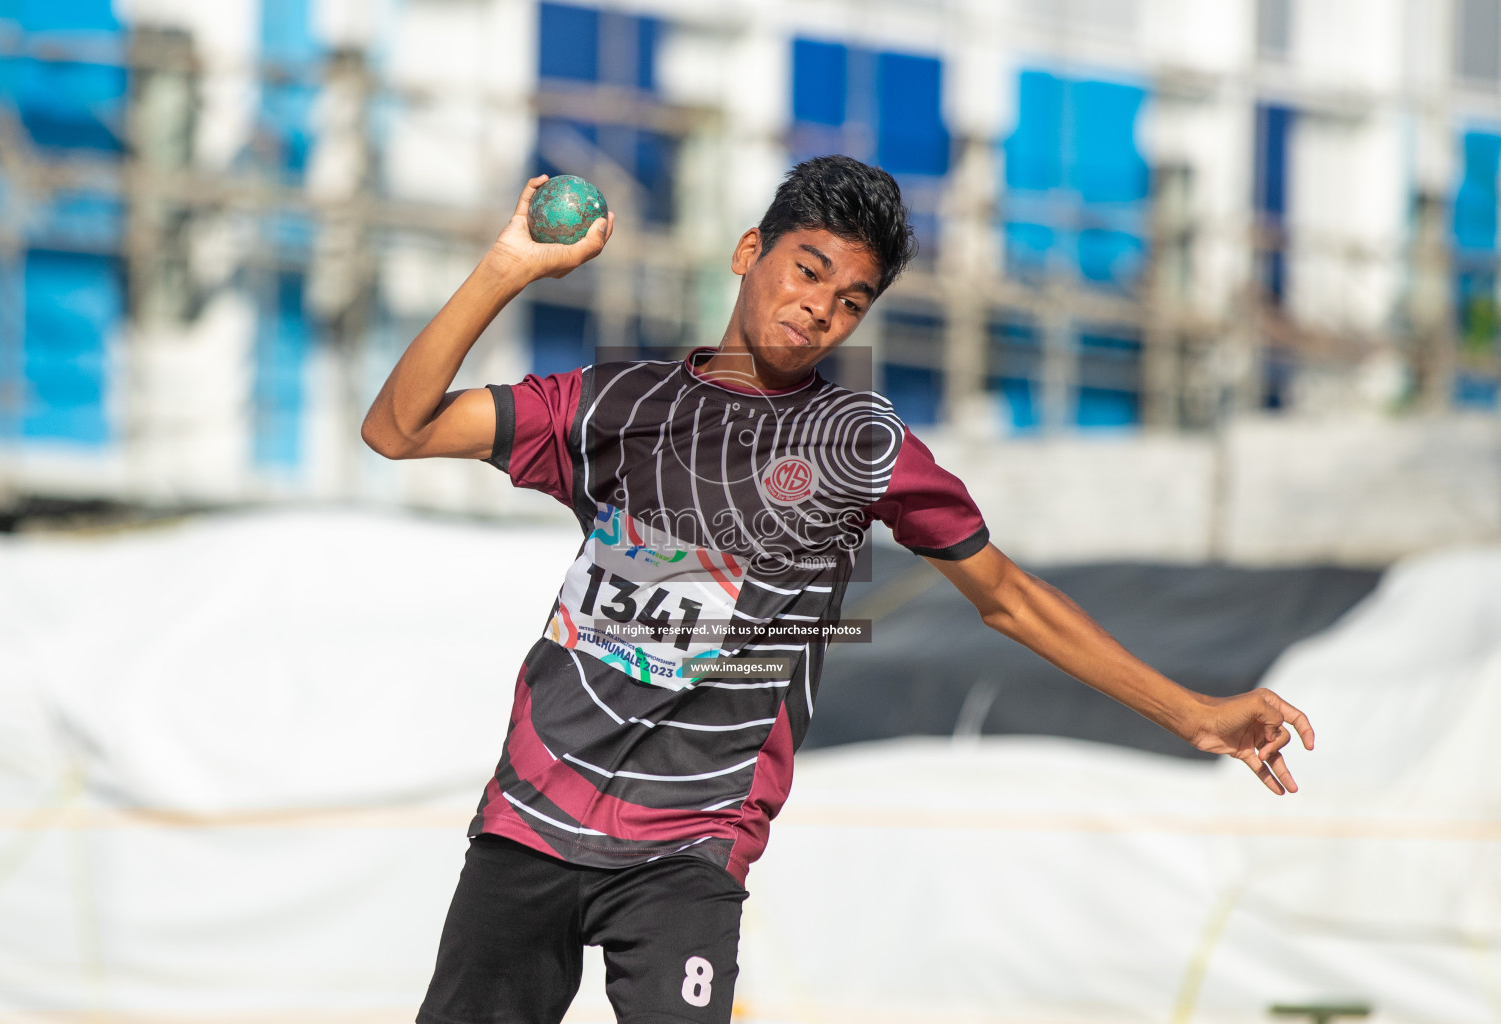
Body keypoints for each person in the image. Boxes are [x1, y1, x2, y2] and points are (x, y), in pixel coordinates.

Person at [361, 155, 1315, 1024]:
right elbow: (397, 431)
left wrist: (1193, 715)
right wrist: (507, 270)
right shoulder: (614, 404)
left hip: (690, 845)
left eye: (852, 299)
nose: (821, 307)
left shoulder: (865, 447)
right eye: (807, 269)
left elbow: (1008, 598)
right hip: (532, 811)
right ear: (749, 253)